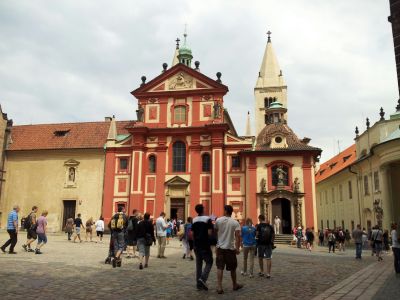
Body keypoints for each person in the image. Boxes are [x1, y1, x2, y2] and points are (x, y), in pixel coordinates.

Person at [215, 205, 243, 294]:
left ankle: (219, 287)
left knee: (220, 267)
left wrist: (217, 243)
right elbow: (238, 237)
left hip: (220, 248)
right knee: (233, 268)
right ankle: (234, 285)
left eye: (224, 210)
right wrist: (237, 248)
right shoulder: (235, 223)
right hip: (230, 249)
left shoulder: (218, 220)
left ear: (226, 211)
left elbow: (215, 233)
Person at [192, 204, 214, 291]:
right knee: (209, 262)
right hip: (205, 245)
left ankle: (198, 285)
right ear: (203, 209)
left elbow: (193, 234)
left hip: (196, 245)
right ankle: (203, 279)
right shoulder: (207, 219)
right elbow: (209, 233)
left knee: (198, 265)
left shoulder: (194, 220)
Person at [256, 214, 275, 279]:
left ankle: (262, 271)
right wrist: (272, 242)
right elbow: (273, 235)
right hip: (268, 244)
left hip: (261, 244)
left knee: (260, 258)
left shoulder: (259, 226)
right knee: (268, 258)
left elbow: (257, 235)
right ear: (265, 218)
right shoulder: (270, 226)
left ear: (260, 219)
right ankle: (268, 273)